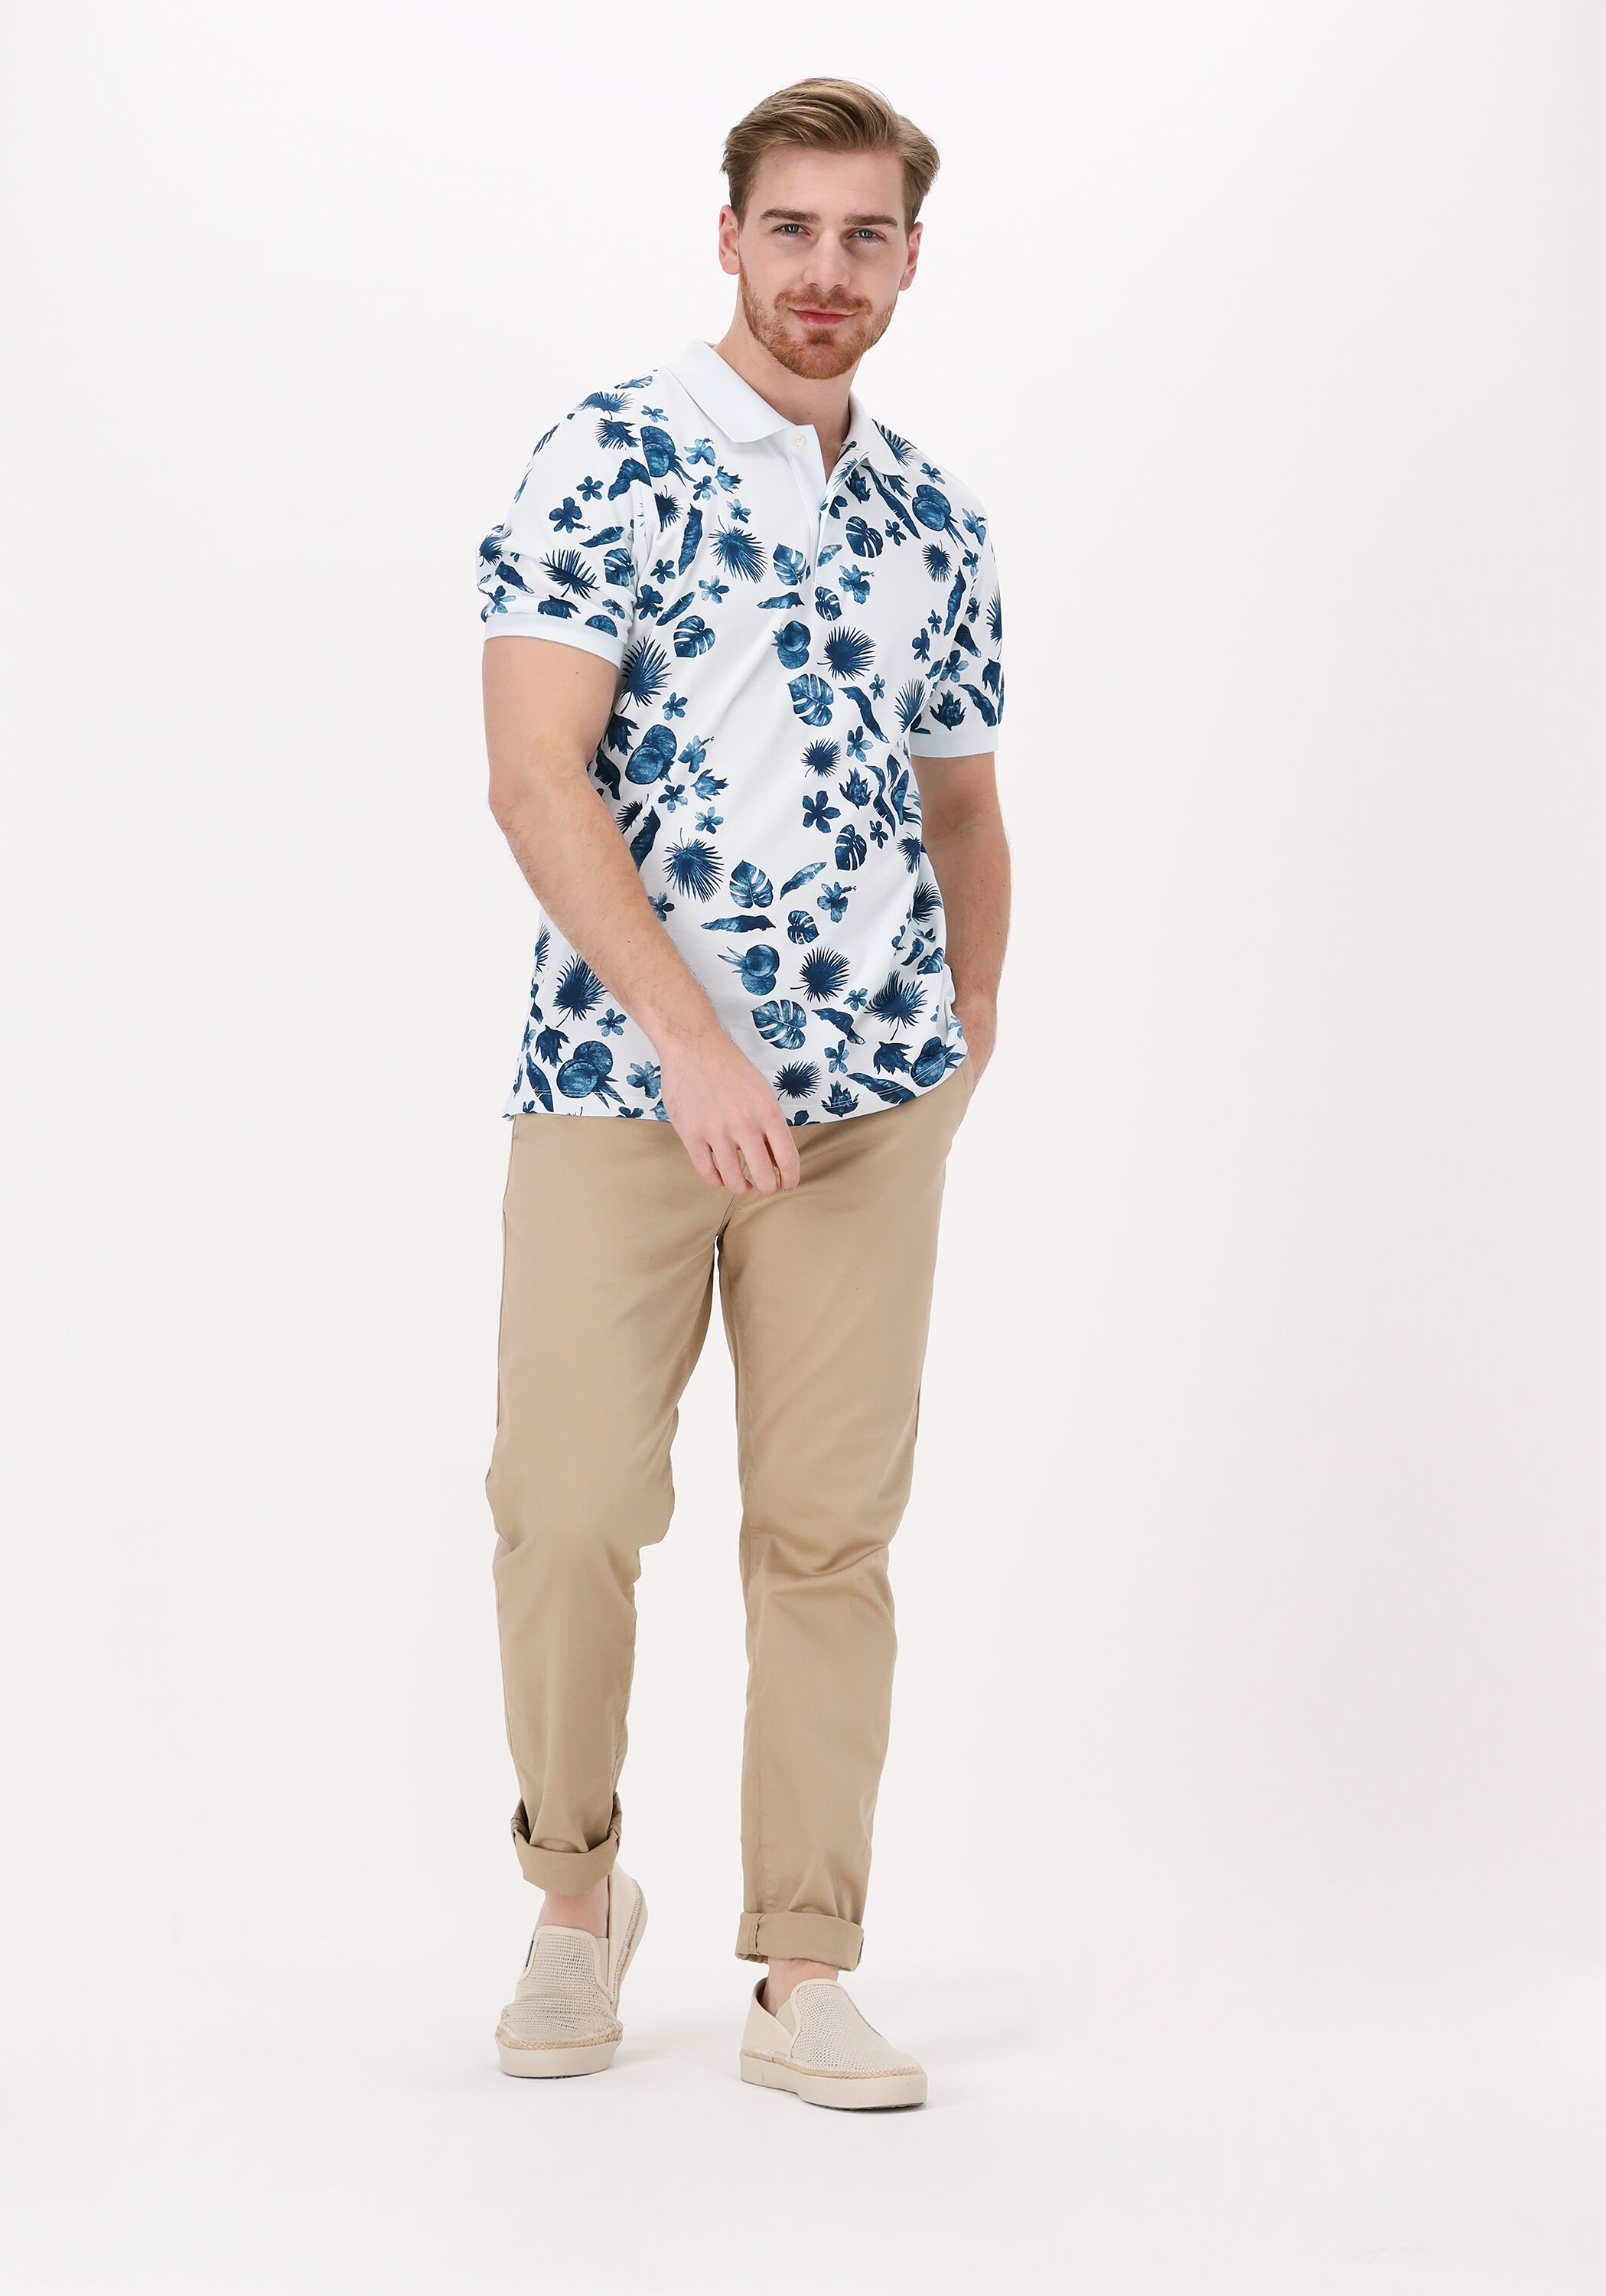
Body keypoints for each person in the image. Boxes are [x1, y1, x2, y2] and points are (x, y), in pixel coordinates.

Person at [476, 76, 1009, 2110]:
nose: (824, 269)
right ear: (729, 237)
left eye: (865, 235)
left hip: (869, 1112)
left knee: (824, 1534)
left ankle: (805, 1968)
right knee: (568, 1505)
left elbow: (964, 806)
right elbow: (534, 774)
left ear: (909, 259)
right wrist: (692, 1039)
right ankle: (571, 1897)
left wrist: (966, 1024)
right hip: (620, 1083)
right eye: (791, 227)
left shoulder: (933, 516)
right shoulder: (610, 454)